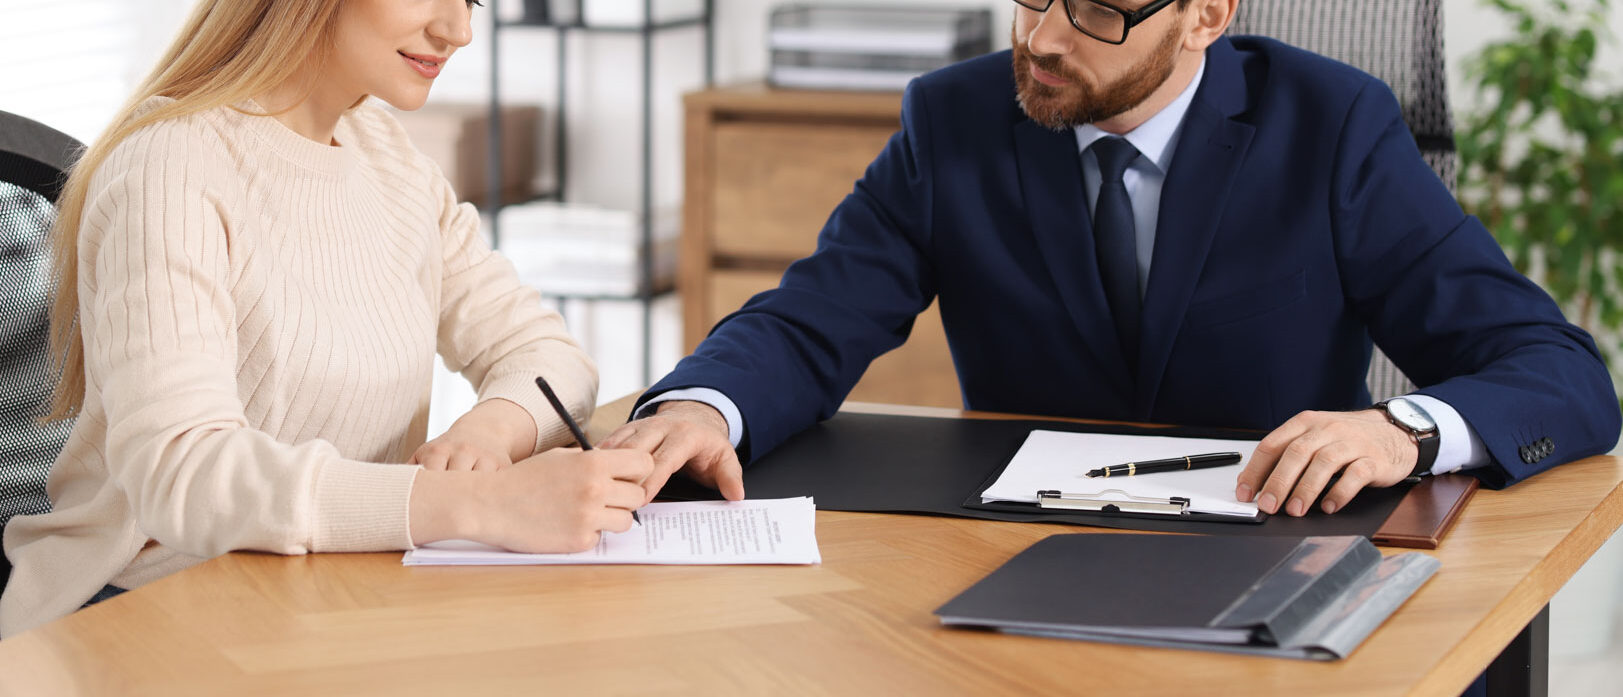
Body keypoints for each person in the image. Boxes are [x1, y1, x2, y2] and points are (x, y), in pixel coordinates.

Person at [604, 0, 1620, 518]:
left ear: (1207, 18)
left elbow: (1561, 373)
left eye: (1096, 10)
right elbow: (810, 319)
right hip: (1011, 561)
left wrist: (1406, 430)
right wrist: (703, 406)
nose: (1044, 37)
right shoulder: (955, 122)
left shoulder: (1333, 127)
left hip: (1272, 553)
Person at [0, 0, 653, 637]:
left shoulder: (387, 157)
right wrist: (477, 504)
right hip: (137, 612)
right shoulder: (170, 165)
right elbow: (183, 474)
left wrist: (487, 435)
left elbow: (548, 354)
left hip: (328, 590)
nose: (458, 29)